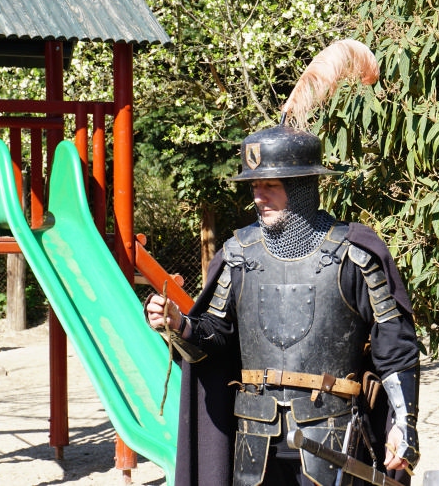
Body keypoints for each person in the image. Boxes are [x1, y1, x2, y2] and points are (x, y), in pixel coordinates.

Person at [146, 40, 419, 486]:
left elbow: (397, 348)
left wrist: (403, 426)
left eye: (270, 185)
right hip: (254, 441)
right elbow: (215, 344)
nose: (258, 196)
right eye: (254, 186)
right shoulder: (238, 255)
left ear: (303, 186)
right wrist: (181, 325)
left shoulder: (355, 254)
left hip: (334, 436)